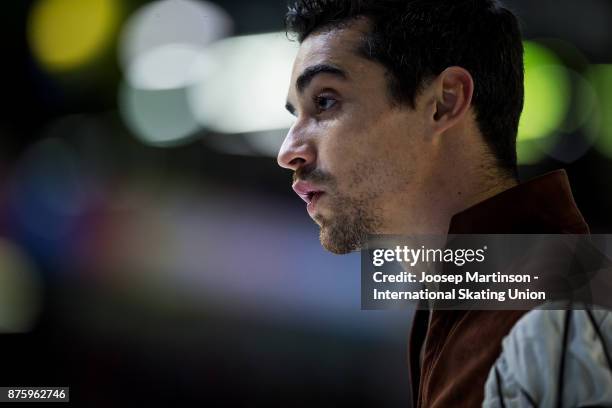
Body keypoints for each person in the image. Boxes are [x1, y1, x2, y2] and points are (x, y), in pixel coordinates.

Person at [276, 0, 606, 406]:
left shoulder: (557, 317)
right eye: (296, 114)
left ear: (445, 102)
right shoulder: (485, 300)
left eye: (325, 102)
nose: (288, 151)